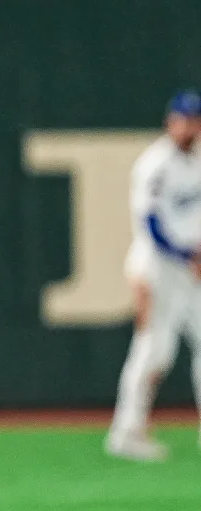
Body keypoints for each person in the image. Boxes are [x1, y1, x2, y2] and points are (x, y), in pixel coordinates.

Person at [106, 89, 201, 461]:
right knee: (154, 350)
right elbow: (151, 223)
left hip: (191, 272)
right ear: (169, 122)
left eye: (195, 119)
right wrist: (186, 253)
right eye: (183, 119)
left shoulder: (195, 163)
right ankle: (127, 431)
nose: (189, 126)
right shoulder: (155, 164)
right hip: (157, 269)